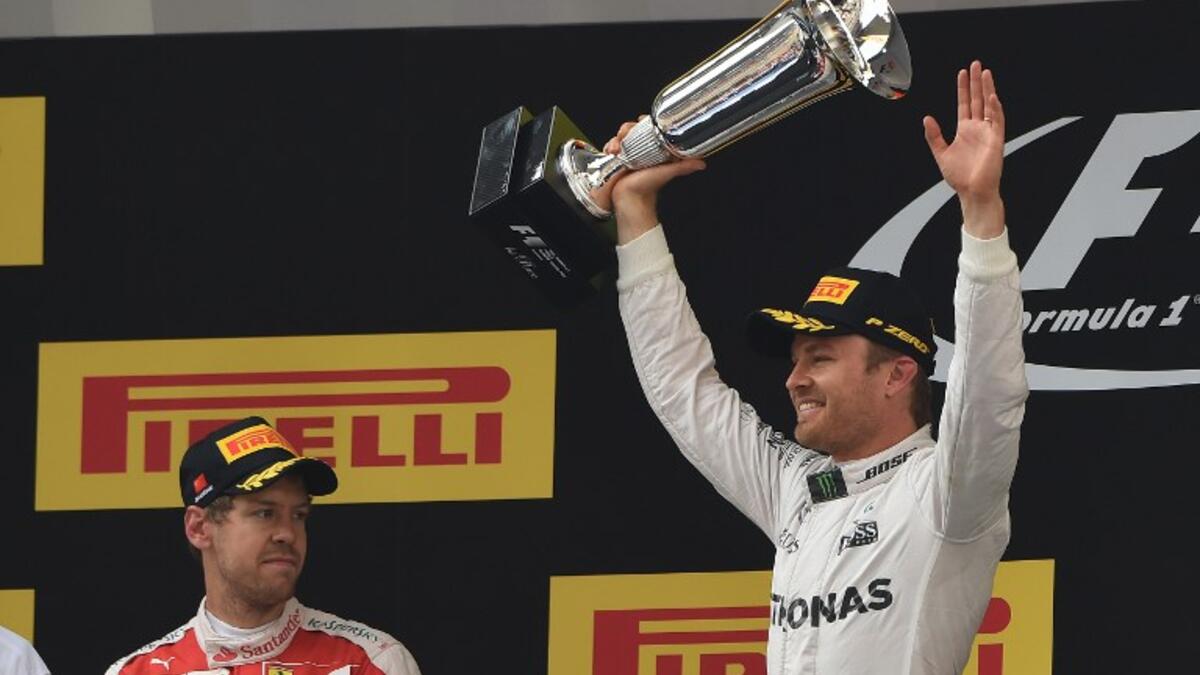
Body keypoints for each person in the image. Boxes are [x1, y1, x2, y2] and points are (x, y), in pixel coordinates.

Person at [607, 60, 1027, 674]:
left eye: (822, 358)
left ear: (897, 374)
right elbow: (682, 391)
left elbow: (988, 394)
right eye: (797, 359)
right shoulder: (796, 489)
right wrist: (634, 209)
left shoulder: (946, 495)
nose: (794, 379)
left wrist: (981, 211)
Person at [106, 416, 421, 674]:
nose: (287, 533)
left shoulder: (370, 663)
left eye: (298, 515)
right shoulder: (139, 672)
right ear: (199, 528)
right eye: (264, 513)